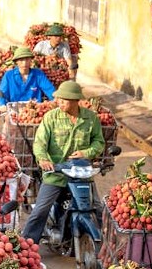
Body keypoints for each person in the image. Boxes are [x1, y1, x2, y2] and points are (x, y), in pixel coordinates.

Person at [21, 81, 104, 244]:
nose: (59, 103)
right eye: (59, 99)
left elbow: (99, 142)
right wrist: (43, 159)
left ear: (75, 101)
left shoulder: (90, 118)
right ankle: (26, 247)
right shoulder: (51, 117)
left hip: (80, 175)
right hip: (56, 173)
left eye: (64, 100)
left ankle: (105, 248)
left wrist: (86, 152)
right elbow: (40, 143)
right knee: (40, 211)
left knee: (98, 209)